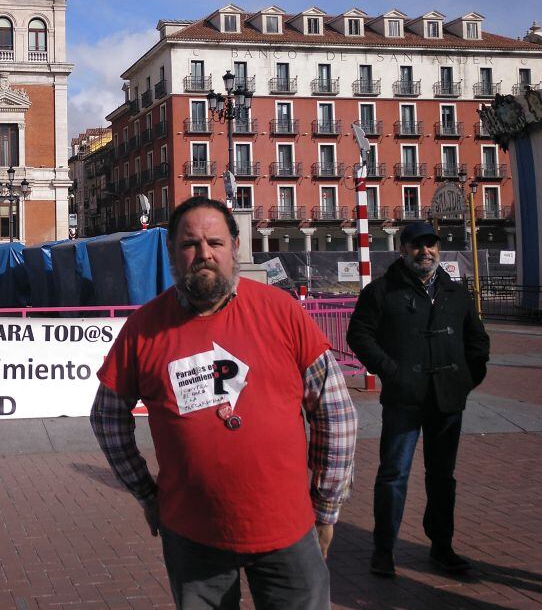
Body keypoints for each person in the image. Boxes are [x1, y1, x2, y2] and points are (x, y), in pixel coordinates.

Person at [91, 196, 357, 609]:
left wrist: (326, 508)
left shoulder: (282, 311)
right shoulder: (144, 329)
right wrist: (146, 493)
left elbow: (334, 410)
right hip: (192, 534)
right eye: (190, 245)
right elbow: (107, 418)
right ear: (172, 254)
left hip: (287, 529)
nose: (204, 255)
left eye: (215, 243)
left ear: (235, 247)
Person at [347, 221, 490, 577]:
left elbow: (477, 341)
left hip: (447, 401)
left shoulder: (455, 293)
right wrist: (391, 372)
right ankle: (384, 549)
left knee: (443, 476)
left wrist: (466, 379)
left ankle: (442, 546)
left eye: (430, 245)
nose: (424, 251)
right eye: (416, 245)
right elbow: (360, 335)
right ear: (402, 249)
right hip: (403, 400)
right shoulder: (381, 292)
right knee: (393, 474)